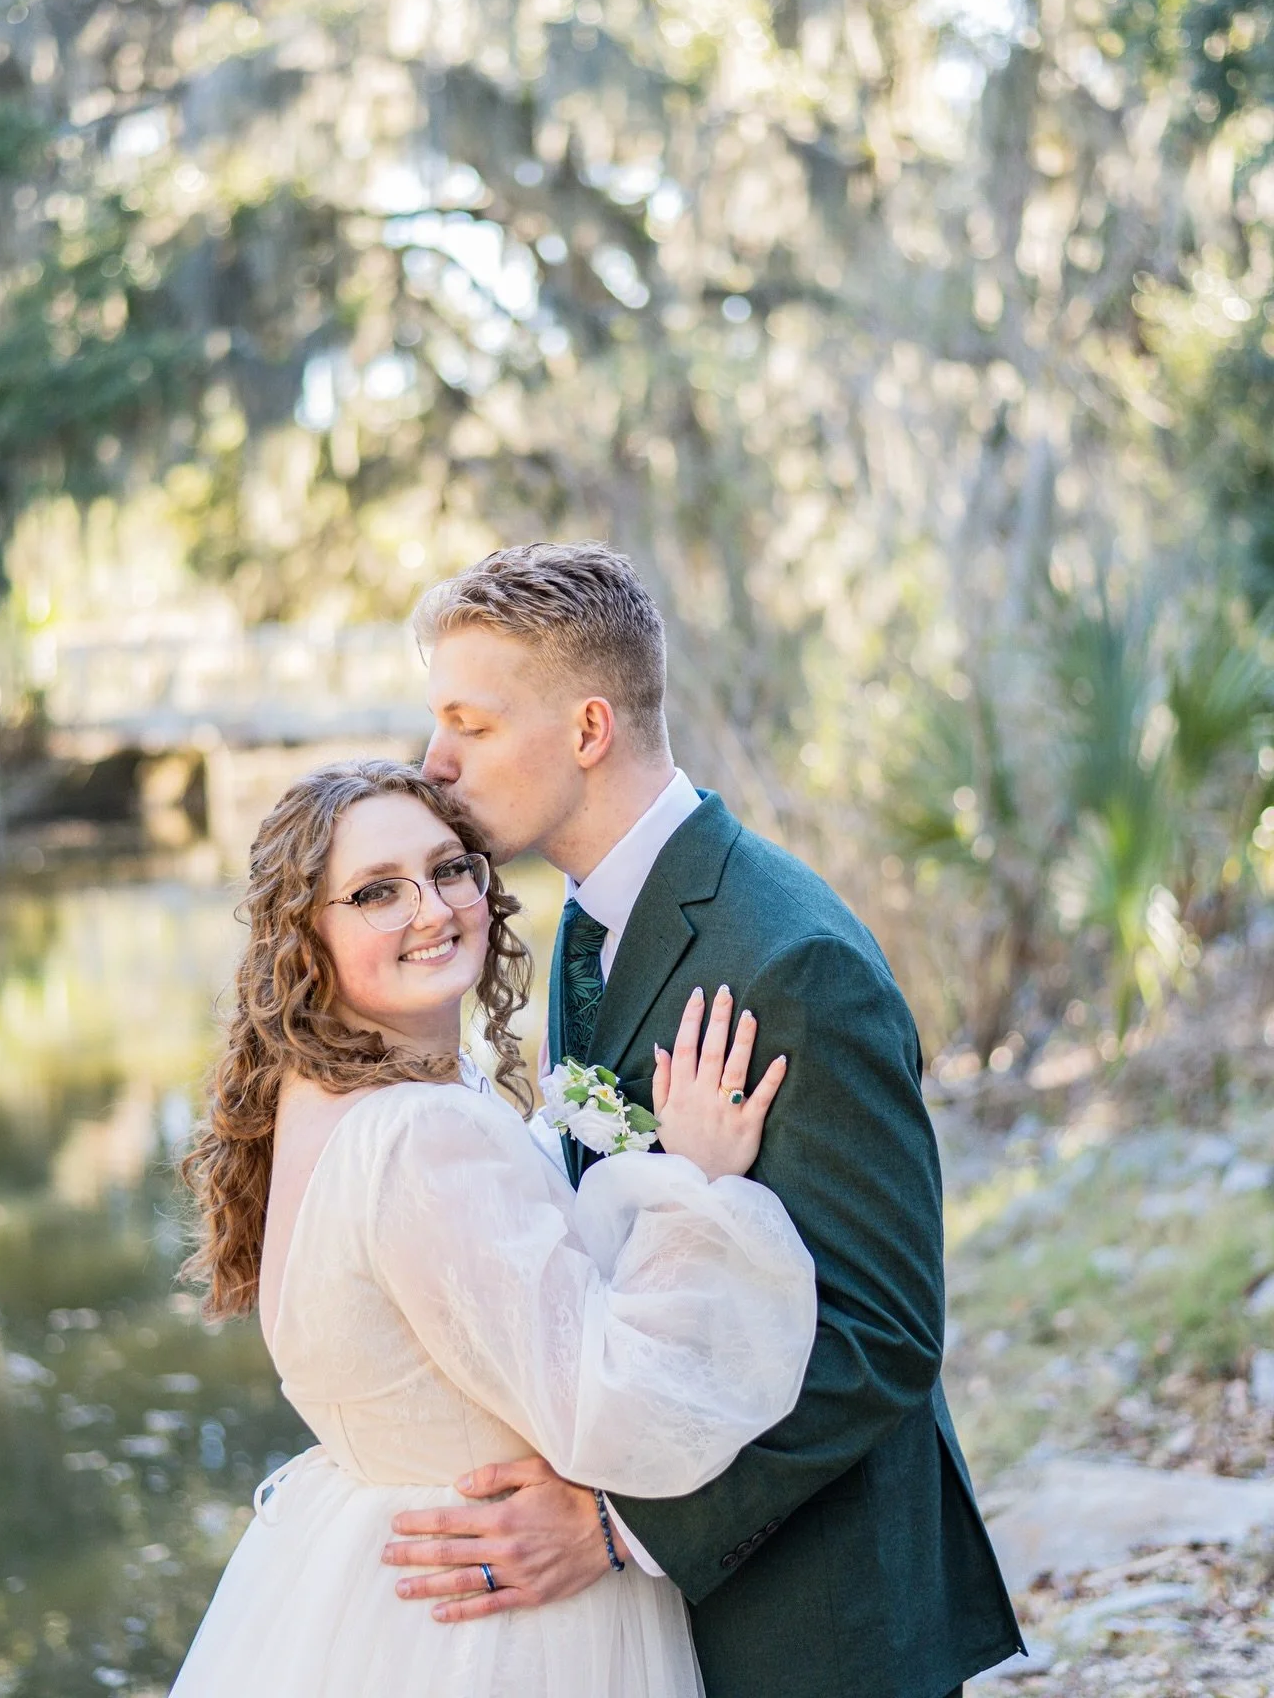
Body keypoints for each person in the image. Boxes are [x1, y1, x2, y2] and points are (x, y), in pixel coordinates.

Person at [383, 541, 1024, 1698]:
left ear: (587, 731)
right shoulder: (589, 922)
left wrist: (616, 1524)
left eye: (469, 726)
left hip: (817, 1624)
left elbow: (882, 1335)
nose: (433, 762)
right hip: (675, 1632)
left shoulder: (795, 962)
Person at [171, 758, 818, 1698]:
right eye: (376, 892)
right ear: (305, 933)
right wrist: (695, 1185)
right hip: (499, 1626)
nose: (432, 910)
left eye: (449, 869)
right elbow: (614, 1406)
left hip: (368, 1577)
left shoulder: (314, 1090)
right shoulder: (419, 1132)